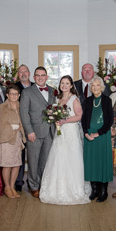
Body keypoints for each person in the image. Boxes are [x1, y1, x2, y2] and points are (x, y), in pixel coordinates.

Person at [40, 75, 91, 205]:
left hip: (71, 132)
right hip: (60, 133)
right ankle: (57, 189)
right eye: (62, 83)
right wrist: (55, 119)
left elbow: (79, 116)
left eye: (67, 83)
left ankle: (74, 189)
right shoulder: (58, 99)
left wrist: (64, 121)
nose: (64, 85)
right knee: (59, 157)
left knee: (71, 158)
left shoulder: (74, 99)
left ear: (71, 85)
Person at [20, 67, 56, 198]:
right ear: (34, 77)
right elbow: (23, 113)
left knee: (45, 160)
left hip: (50, 131)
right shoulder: (27, 92)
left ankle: (43, 184)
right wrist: (29, 131)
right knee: (33, 160)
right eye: (38, 75)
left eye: (43, 75)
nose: (40, 77)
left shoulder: (53, 91)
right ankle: (33, 186)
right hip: (34, 132)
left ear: (47, 77)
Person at [82, 76, 114, 202]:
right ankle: (94, 190)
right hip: (89, 135)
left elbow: (110, 120)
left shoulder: (107, 100)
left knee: (102, 162)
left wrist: (98, 133)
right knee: (91, 162)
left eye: (97, 85)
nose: (95, 87)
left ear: (102, 86)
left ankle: (103, 191)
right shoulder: (88, 101)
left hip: (102, 135)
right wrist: (86, 133)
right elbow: (84, 119)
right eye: (93, 85)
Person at [0, 84, 26, 199]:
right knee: (7, 165)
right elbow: (1, 123)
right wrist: (14, 127)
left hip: (18, 138)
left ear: (19, 95)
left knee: (16, 164)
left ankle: (12, 186)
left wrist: (21, 131)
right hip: (6, 139)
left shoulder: (20, 106)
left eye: (16, 94)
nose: (13, 96)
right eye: (11, 94)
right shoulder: (3, 107)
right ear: (7, 95)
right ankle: (7, 187)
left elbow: (23, 121)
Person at [14, 64, 34, 192]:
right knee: (19, 155)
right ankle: (18, 182)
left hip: (34, 127)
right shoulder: (14, 88)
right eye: (20, 72)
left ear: (29, 73)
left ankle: (32, 182)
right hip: (19, 126)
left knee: (33, 156)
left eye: (25, 71)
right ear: (18, 75)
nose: (23, 74)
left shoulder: (35, 86)